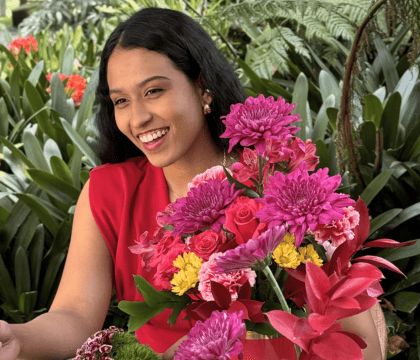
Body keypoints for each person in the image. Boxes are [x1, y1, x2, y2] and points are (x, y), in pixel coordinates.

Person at [0, 7, 383, 360]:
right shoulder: (108, 191)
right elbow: (75, 316)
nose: (138, 118)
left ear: (202, 88)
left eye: (154, 91)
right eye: (121, 101)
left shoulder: (280, 190)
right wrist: (18, 340)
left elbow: (358, 339)